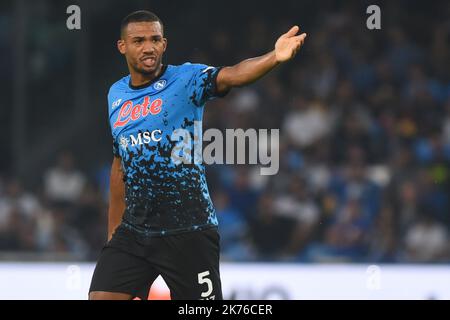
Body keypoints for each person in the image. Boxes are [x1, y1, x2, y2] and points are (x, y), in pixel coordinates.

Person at [89, 10, 306, 300]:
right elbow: (120, 167)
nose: (148, 47)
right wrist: (114, 234)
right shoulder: (115, 94)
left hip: (188, 230)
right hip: (135, 231)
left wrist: (274, 57)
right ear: (122, 46)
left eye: (155, 39)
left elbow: (232, 75)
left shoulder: (186, 78)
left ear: (164, 44)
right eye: (138, 40)